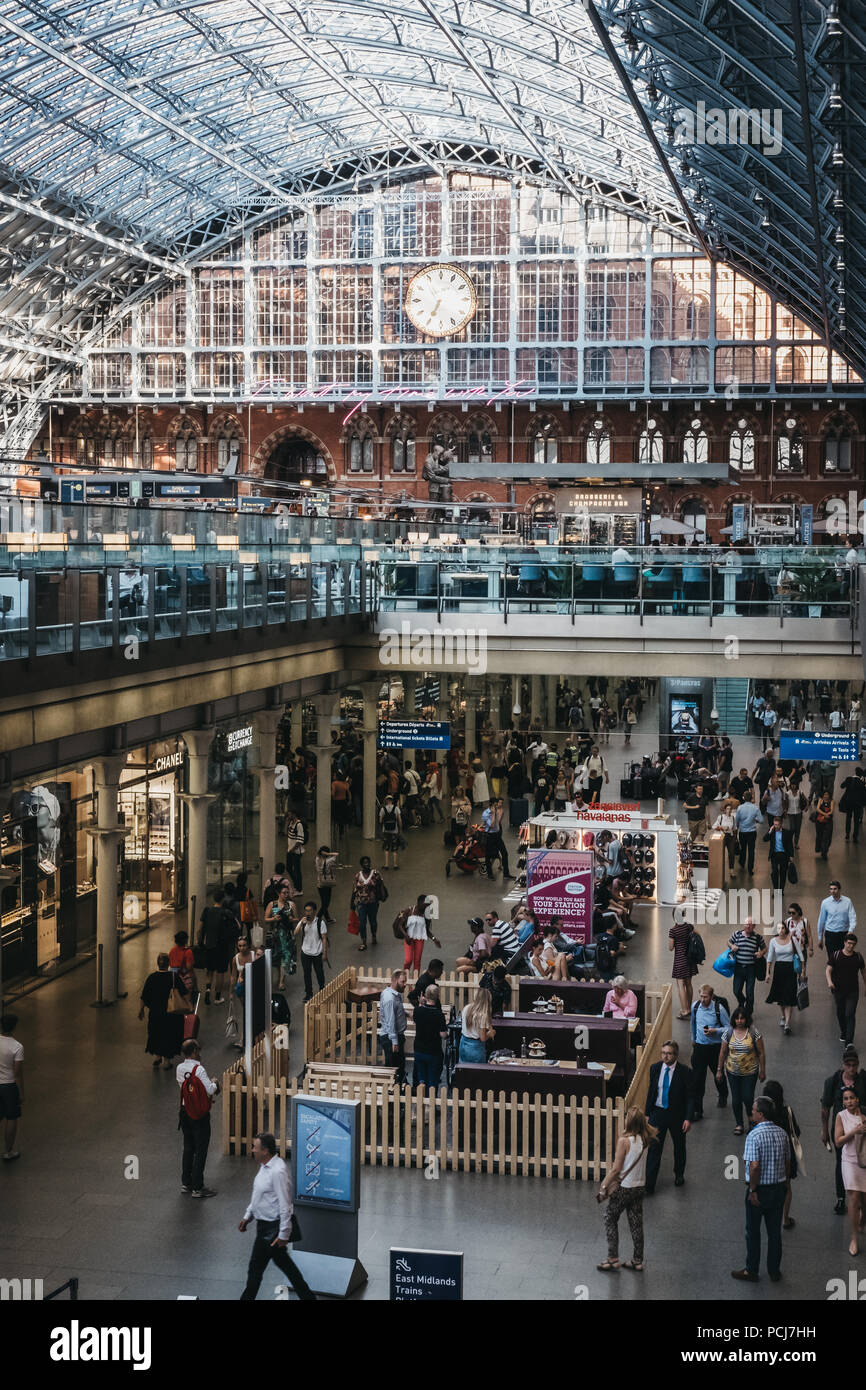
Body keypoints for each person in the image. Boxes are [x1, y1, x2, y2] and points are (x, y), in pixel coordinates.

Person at [239, 1133, 316, 1301]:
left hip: (271, 1230)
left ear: (265, 1151)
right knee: (284, 1266)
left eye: (255, 1147)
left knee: (256, 1269)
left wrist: (283, 1234)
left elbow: (285, 1205)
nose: (252, 1150)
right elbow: (259, 1195)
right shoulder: (265, 1166)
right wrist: (248, 1215)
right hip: (264, 1228)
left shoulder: (278, 1171)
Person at [731, 1097, 790, 1284]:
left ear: (761, 1114)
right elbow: (788, 1162)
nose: (752, 1112)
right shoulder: (782, 1133)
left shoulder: (753, 1136)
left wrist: (753, 1190)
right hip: (778, 1188)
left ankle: (752, 1270)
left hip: (760, 1190)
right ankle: (774, 1271)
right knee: (774, 1233)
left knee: (753, 1232)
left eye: (754, 1110)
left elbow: (754, 1166)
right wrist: (785, 1184)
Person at [597, 1107, 656, 1273]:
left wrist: (604, 1187)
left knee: (610, 1217)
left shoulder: (624, 1141)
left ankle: (613, 1258)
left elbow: (616, 1169)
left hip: (625, 1187)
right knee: (636, 1224)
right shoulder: (646, 1140)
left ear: (628, 1121)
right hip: (639, 1187)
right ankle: (637, 1261)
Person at [644, 1040, 694, 1194]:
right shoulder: (655, 1068)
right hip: (657, 1113)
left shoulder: (685, 1071)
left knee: (679, 1146)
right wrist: (647, 1114)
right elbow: (651, 1092)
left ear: (676, 1055)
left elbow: (690, 1096)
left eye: (669, 1053)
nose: (665, 1056)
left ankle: (679, 1174)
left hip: (676, 1115)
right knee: (654, 1149)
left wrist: (688, 1118)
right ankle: (649, 1185)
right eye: (663, 1053)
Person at [176, 1038, 219, 1198]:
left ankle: (186, 1183)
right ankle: (197, 1187)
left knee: (188, 1147)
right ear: (194, 1052)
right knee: (201, 1150)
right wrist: (215, 1082)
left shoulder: (179, 1068)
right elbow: (209, 1090)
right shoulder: (199, 1070)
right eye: (198, 1050)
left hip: (184, 1111)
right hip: (199, 1115)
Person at [717, 1006, 766, 1135]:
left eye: (742, 1018)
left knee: (748, 1097)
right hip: (732, 1072)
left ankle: (751, 1119)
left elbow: (761, 1052)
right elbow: (723, 1052)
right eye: (737, 1018)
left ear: (746, 1019)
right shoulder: (728, 1033)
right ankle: (739, 1123)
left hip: (750, 1072)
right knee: (736, 1099)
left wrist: (762, 1070)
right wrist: (719, 1070)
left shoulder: (753, 1032)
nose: (739, 1021)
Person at [762, 1079, 800, 1230]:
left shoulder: (762, 1113)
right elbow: (796, 1132)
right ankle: (785, 1218)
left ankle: (768, 1215)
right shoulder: (787, 1111)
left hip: (767, 1154)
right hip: (785, 1153)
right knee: (786, 1186)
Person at [690, 984, 731, 1118]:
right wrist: (693, 1037)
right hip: (700, 1047)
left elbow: (729, 1028)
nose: (702, 999)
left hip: (715, 1048)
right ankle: (697, 1110)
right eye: (701, 996)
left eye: (705, 997)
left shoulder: (719, 1009)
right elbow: (693, 1022)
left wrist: (715, 1031)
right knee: (697, 1079)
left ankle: (723, 1094)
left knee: (718, 1074)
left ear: (711, 996)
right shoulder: (695, 1007)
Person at [139, 953, 186, 1069]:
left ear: (157, 964)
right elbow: (184, 992)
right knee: (170, 1034)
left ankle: (157, 1056)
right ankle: (167, 1061)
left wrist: (141, 1010)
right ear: (169, 963)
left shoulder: (151, 978)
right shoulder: (174, 977)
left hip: (155, 1013)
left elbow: (144, 996)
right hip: (171, 1013)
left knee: (156, 1033)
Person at [826, 933, 866, 1047]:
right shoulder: (836, 955)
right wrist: (830, 982)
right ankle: (844, 1032)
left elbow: (863, 972)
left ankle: (849, 1041)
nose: (851, 946)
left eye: (853, 944)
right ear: (844, 943)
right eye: (849, 943)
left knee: (850, 1014)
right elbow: (828, 970)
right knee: (840, 1013)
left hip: (853, 991)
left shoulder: (858, 957)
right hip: (838, 990)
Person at [198, 889, 235, 1005]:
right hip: (222, 946)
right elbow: (233, 929)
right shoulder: (225, 913)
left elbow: (200, 929)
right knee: (220, 972)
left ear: (214, 899)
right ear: (223, 899)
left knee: (209, 970)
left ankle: (208, 991)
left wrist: (200, 942)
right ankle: (217, 997)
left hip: (209, 945)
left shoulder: (207, 911)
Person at [766, 921, 803, 1035]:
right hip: (779, 970)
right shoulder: (773, 941)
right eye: (778, 929)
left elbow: (800, 955)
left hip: (790, 970)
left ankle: (787, 1023)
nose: (780, 930)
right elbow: (770, 958)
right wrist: (768, 973)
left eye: (782, 928)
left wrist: (802, 971)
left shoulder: (793, 940)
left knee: (788, 996)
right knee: (781, 998)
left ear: (785, 929)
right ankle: (783, 1015)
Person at [728, 917, 767, 1016]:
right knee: (736, 990)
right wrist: (732, 946)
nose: (747, 926)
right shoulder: (736, 934)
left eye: (750, 925)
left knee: (750, 992)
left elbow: (765, 948)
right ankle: (741, 1001)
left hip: (751, 968)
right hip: (739, 967)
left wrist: (761, 953)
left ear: (754, 926)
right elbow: (728, 942)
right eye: (746, 924)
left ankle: (748, 1012)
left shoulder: (758, 937)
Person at [412, 984, 447, 1090]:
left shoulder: (417, 1010)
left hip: (419, 1049)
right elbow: (443, 1034)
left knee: (421, 1079)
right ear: (437, 997)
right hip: (433, 1051)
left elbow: (416, 1020)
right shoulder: (439, 1014)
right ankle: (430, 1104)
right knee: (432, 1082)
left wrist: (421, 1003)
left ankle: (421, 1100)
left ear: (425, 996)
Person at [294, 901, 329, 1003]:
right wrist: (301, 923)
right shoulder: (303, 922)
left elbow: (324, 938)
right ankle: (308, 993)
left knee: (319, 972)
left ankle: (322, 989)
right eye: (306, 911)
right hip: (305, 952)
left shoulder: (320, 923)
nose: (307, 913)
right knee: (306, 974)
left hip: (317, 953)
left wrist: (324, 952)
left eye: (310, 911)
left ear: (315, 911)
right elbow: (295, 933)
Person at [377, 969, 408, 1082]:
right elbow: (390, 1021)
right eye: (403, 982)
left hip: (394, 1035)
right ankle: (393, 1092)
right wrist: (394, 1041)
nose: (405, 984)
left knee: (399, 1065)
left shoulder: (393, 994)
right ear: (394, 981)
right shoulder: (390, 998)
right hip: (391, 1037)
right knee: (394, 1068)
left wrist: (407, 1014)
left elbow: (395, 1012)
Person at [0, 1014, 23, 1161]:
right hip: (8, 1086)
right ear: (14, 1027)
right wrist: (21, 1093)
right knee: (11, 1117)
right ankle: (8, 1151)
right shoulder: (17, 1046)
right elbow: (17, 1074)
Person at [350, 855, 386, 951]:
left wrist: (382, 896)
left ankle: (374, 935)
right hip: (361, 903)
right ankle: (364, 941)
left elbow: (381, 885)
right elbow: (354, 889)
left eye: (368, 862)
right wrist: (352, 902)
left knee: (373, 921)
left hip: (373, 902)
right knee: (362, 923)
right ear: (361, 865)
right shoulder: (358, 876)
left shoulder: (375, 873)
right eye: (364, 863)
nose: (367, 864)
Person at [266, 885, 297, 991]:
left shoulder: (291, 905)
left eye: (287, 893)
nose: (286, 895)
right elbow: (266, 919)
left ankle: (281, 982)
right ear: (278, 893)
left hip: (287, 935)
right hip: (275, 936)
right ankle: (279, 976)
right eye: (284, 893)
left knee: (286, 958)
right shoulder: (272, 904)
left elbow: (296, 918)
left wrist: (291, 919)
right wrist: (273, 918)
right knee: (277, 958)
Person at [669, 914, 699, 1020]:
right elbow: (697, 936)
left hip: (680, 960)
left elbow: (671, 947)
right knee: (689, 984)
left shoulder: (673, 930)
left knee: (680, 984)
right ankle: (689, 1008)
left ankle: (684, 1010)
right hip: (690, 959)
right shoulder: (689, 927)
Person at [818, 880, 857, 960]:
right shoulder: (825, 902)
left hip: (844, 934)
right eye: (831, 889)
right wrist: (820, 938)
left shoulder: (847, 901)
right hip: (830, 935)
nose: (833, 891)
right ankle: (832, 972)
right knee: (832, 958)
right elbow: (821, 920)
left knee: (844, 957)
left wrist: (850, 931)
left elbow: (853, 917)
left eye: (835, 889)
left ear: (839, 889)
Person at [402, 894, 442, 974]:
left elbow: (426, 930)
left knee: (417, 961)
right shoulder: (409, 911)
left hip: (420, 939)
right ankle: (404, 976)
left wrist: (434, 939)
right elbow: (400, 925)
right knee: (408, 960)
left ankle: (415, 981)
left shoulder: (426, 915)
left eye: (427, 905)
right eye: (425, 905)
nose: (426, 907)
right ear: (419, 903)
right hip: (409, 938)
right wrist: (405, 935)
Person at [458, 988, 495, 1064]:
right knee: (477, 1073)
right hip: (475, 1047)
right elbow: (483, 1038)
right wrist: (491, 1033)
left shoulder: (466, 1008)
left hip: (463, 1042)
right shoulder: (482, 1015)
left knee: (464, 1070)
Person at [482, 799, 512, 881]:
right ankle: (489, 874)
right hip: (490, 835)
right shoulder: (486, 813)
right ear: (491, 805)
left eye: (497, 804)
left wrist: (499, 813)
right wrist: (493, 814)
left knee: (504, 853)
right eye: (495, 805)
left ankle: (506, 873)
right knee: (488, 855)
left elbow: (498, 823)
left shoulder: (498, 811)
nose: (497, 806)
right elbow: (491, 825)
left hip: (497, 835)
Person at [734, 792, 763, 874]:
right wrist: (755, 820)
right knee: (751, 850)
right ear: (751, 798)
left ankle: (742, 863)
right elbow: (761, 820)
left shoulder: (740, 808)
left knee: (743, 848)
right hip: (752, 832)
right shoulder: (755, 808)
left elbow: (737, 821)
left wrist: (738, 827)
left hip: (743, 832)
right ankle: (750, 868)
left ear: (743, 798)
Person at [763, 816, 794, 891]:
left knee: (783, 874)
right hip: (774, 855)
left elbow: (790, 845)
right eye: (774, 824)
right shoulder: (772, 831)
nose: (775, 826)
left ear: (781, 824)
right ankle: (776, 890)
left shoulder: (787, 833)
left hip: (784, 855)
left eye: (777, 825)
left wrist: (791, 855)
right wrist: (769, 831)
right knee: (774, 873)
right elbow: (764, 839)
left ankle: (781, 890)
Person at [840, 767, 866, 844]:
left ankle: (847, 834)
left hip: (848, 802)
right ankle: (855, 837)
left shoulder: (849, 779)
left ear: (855, 772)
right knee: (856, 821)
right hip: (857, 804)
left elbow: (842, 786)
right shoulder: (862, 783)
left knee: (848, 818)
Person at [784, 902, 812, 974]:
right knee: (791, 972)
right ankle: (793, 985)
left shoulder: (804, 921)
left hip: (802, 950)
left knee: (802, 971)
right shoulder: (788, 922)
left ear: (798, 911)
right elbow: (782, 937)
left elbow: (809, 935)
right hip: (790, 951)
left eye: (793, 913)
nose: (791, 914)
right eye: (789, 912)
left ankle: (802, 984)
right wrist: (790, 935)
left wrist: (811, 949)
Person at [711, 800, 738, 872]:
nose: (729, 810)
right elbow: (714, 827)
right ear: (725, 810)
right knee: (720, 853)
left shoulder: (732, 818)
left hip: (731, 836)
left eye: (730, 809)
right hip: (722, 836)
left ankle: (731, 870)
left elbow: (735, 828)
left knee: (731, 853)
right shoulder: (721, 817)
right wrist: (722, 827)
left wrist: (735, 837)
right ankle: (719, 868)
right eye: (727, 809)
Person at [169, 930, 197, 998]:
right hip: (184, 980)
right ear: (186, 940)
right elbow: (189, 968)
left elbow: (171, 965)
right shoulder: (188, 952)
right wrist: (195, 985)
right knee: (188, 1001)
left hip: (173, 980)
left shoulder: (172, 950)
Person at [314, 846, 338, 924]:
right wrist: (329, 853)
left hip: (320, 883)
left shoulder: (317, 859)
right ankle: (317, 919)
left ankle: (328, 919)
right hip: (327, 884)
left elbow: (318, 855)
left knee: (324, 902)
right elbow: (336, 854)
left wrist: (322, 852)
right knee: (326, 904)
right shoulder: (329, 861)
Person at [379, 795, 402, 869]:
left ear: (386, 800)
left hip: (386, 831)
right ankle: (395, 864)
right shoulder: (396, 808)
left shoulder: (383, 809)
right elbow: (399, 820)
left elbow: (380, 820)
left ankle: (386, 865)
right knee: (394, 848)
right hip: (394, 830)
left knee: (386, 847)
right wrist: (400, 829)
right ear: (392, 800)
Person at [285, 812, 306, 894]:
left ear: (294, 815)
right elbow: (286, 833)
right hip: (290, 850)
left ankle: (299, 889)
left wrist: (293, 849)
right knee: (289, 867)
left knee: (297, 870)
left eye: (290, 814)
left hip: (296, 851)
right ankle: (296, 884)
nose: (288, 816)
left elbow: (300, 841)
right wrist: (286, 823)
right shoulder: (291, 823)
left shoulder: (299, 825)